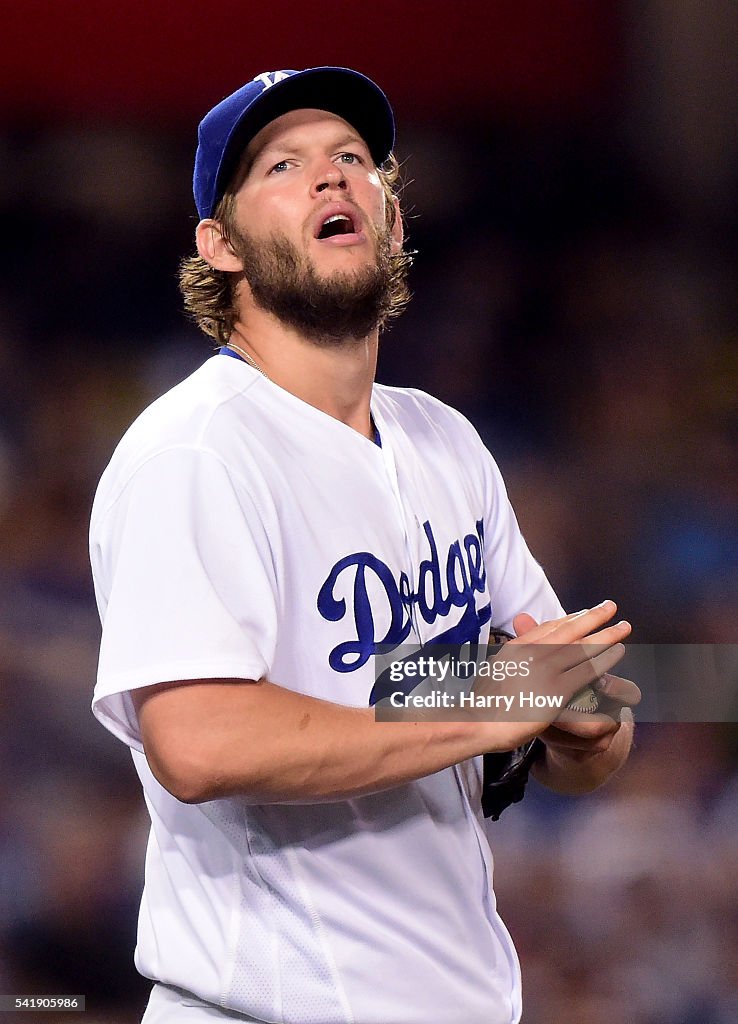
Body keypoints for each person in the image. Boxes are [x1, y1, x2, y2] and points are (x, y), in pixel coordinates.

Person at [89, 66, 638, 1024]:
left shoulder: (443, 440)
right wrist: (495, 699)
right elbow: (198, 741)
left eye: (352, 159)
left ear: (387, 217)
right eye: (284, 166)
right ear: (219, 245)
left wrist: (582, 728)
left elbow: (572, 721)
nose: (332, 178)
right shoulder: (196, 450)